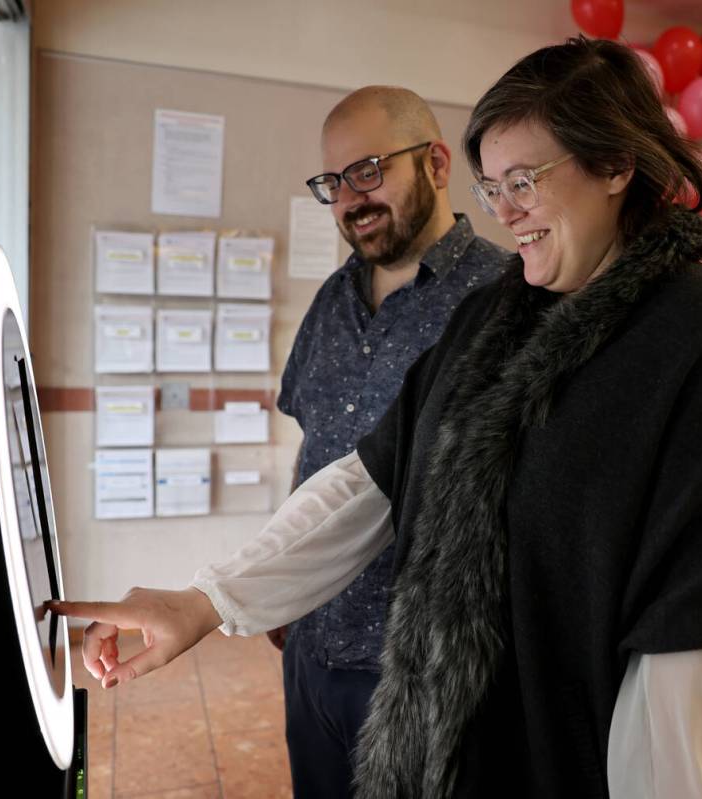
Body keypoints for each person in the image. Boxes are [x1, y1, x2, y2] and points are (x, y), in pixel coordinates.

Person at [52, 37, 702, 798]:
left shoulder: (698, 325)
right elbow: (368, 479)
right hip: (433, 740)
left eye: (523, 180)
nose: (505, 212)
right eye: (493, 189)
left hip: (571, 752)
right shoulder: (494, 313)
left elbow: (686, 647)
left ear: (615, 165)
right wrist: (205, 601)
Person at [271, 85, 509, 798]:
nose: (350, 198)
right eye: (334, 182)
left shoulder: (505, 296)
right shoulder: (331, 299)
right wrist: (281, 582)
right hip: (313, 650)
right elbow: (311, 449)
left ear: (435, 163)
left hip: (426, 673)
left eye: (369, 170)